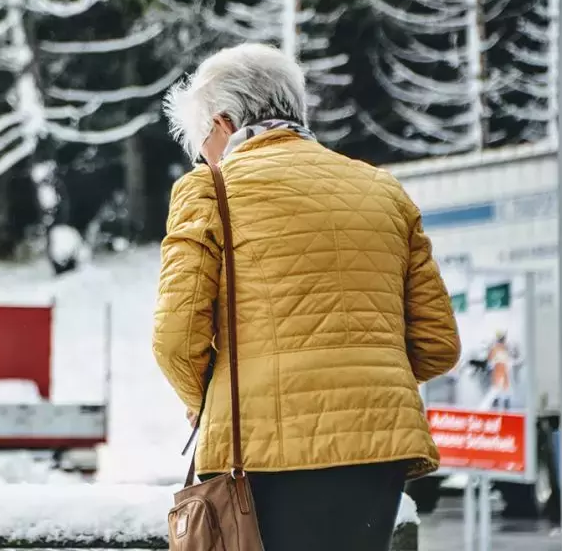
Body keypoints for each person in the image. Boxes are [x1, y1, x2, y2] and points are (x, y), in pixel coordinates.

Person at [153, 43, 461, 551]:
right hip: (378, 449)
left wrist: (206, 401)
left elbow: (174, 338)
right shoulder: (382, 189)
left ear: (224, 122)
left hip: (264, 456)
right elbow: (437, 343)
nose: (202, 154)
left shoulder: (210, 188)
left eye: (200, 138)